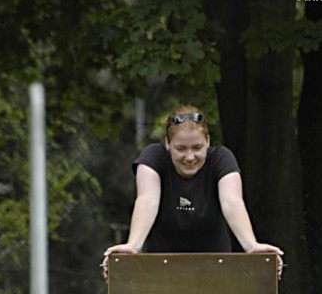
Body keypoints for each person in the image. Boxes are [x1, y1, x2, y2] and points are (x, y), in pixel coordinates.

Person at [103, 105, 283, 278]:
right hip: (159, 271)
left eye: (197, 148)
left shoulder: (221, 158)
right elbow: (147, 200)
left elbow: (232, 201)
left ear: (208, 142)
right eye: (181, 148)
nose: (189, 157)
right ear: (168, 143)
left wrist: (251, 245)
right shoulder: (153, 157)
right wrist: (133, 245)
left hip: (215, 271)